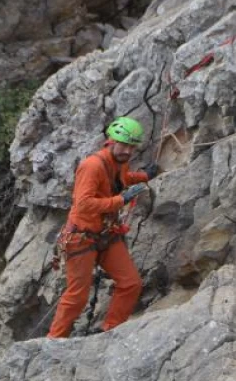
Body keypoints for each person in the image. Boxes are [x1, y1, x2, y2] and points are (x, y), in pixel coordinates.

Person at [47, 116, 158, 338]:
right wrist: (120, 201)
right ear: (111, 141)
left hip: (106, 234)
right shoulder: (92, 166)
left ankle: (110, 331)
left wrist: (144, 176)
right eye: (124, 144)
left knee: (131, 283)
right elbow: (83, 203)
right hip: (82, 237)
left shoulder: (120, 161)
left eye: (132, 146)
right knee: (77, 297)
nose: (127, 150)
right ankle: (54, 340)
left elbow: (123, 177)